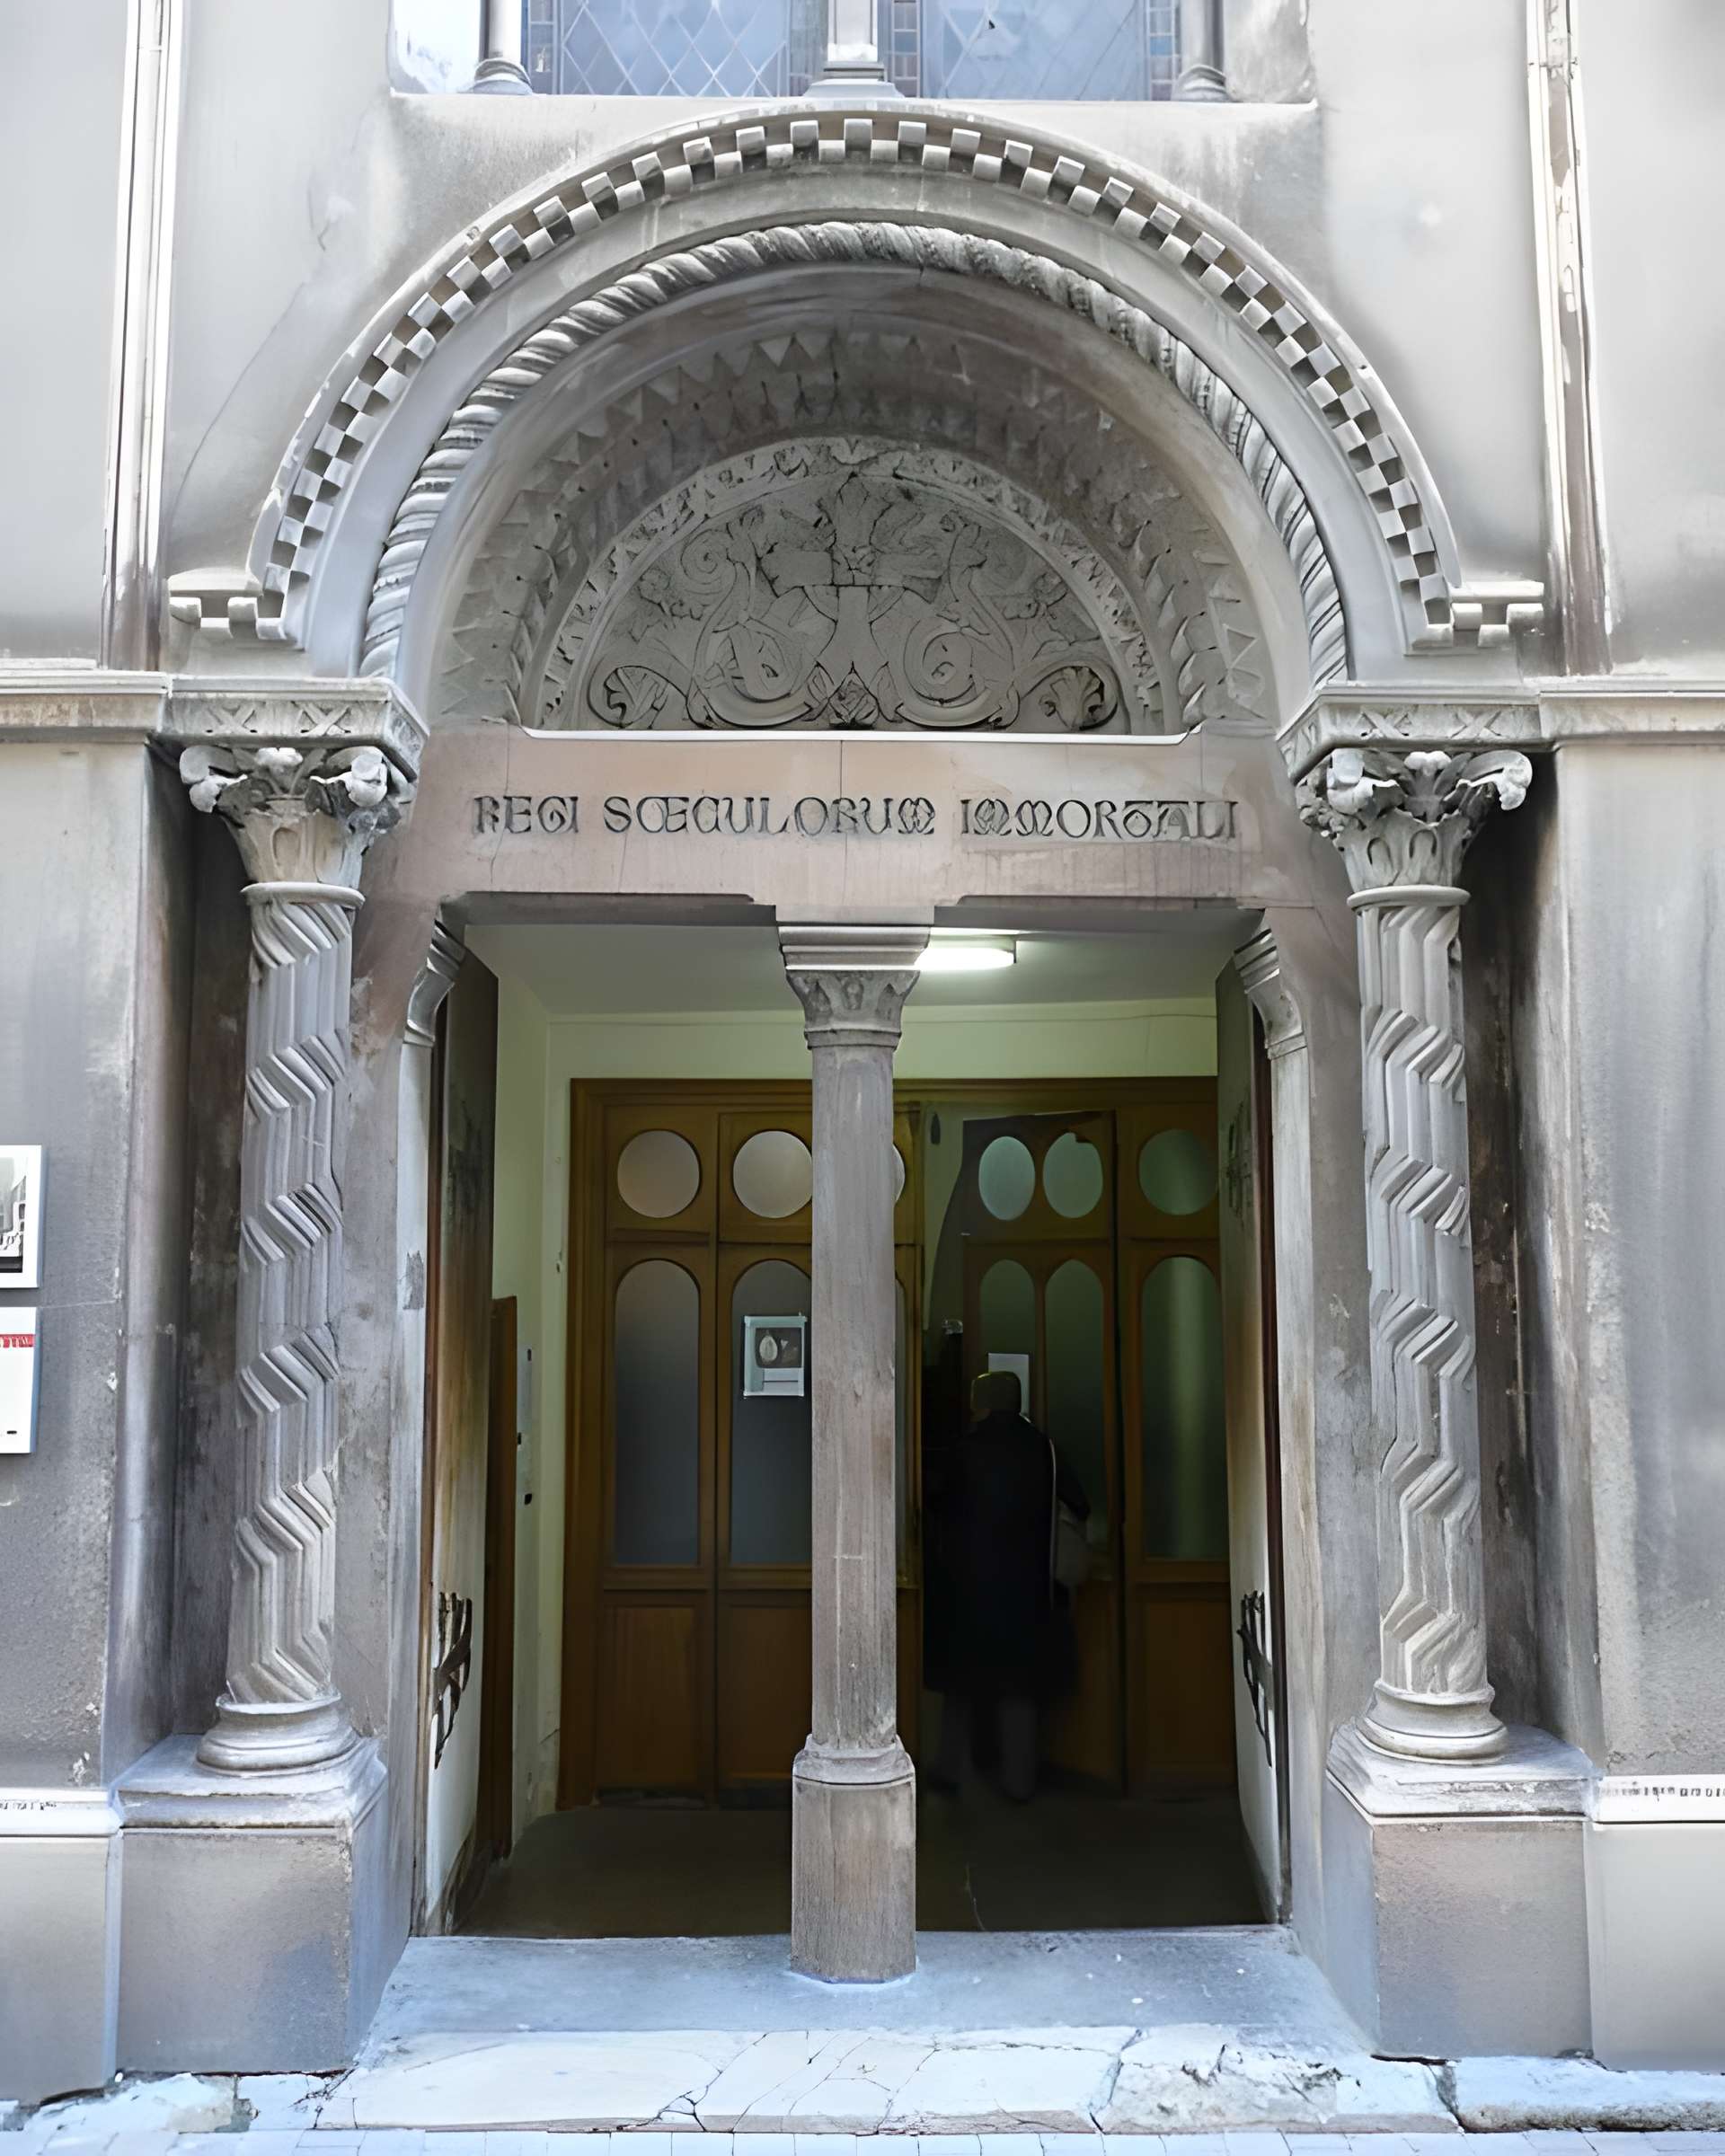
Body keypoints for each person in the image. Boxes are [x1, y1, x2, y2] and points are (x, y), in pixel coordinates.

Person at [924, 1367, 1090, 1802]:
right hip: (1027, 1585)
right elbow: (1080, 1503)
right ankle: (1019, 1782)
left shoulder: (963, 1451)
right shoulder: (1045, 1450)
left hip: (968, 1586)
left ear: (982, 1402)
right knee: (1019, 1688)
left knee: (960, 1685)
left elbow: (933, 1504)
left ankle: (950, 1770)